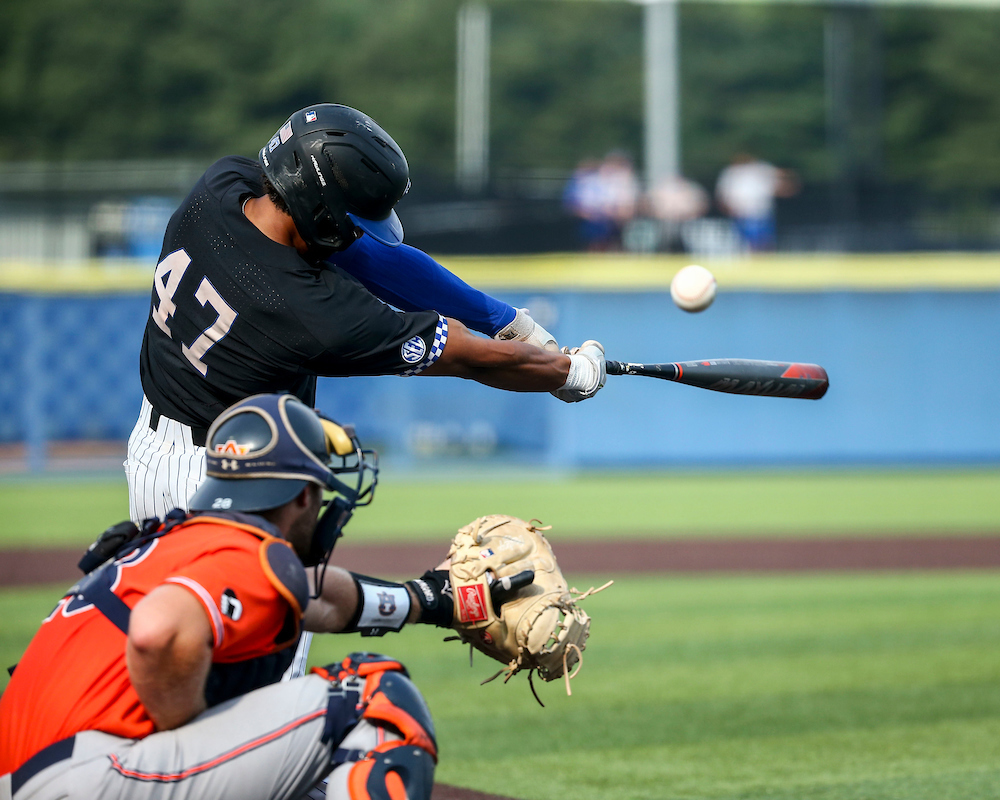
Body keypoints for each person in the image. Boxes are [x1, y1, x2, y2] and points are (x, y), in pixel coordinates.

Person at [1, 394, 508, 800]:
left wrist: (432, 599)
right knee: (372, 699)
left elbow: (317, 599)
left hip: (36, 772)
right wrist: (185, 730)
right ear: (303, 495)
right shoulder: (243, 551)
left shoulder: (176, 541)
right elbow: (157, 631)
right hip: (89, 776)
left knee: (305, 779)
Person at [127, 103, 605, 525]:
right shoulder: (310, 312)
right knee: (266, 603)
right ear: (319, 212)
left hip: (156, 452)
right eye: (352, 223)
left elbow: (375, 259)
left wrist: (505, 321)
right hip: (231, 475)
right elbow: (466, 356)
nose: (356, 234)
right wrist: (569, 371)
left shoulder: (221, 185)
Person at [714, 153, 798, 252]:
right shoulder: (731, 172)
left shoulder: (760, 168)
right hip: (740, 211)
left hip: (760, 210)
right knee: (743, 238)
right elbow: (723, 192)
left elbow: (781, 177)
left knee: (763, 237)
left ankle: (764, 254)